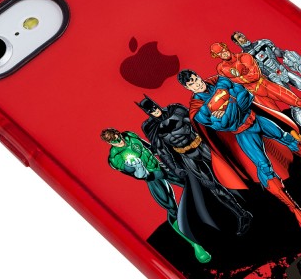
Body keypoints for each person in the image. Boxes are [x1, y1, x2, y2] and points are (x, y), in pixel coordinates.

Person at [178, 69, 301, 226]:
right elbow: (223, 125)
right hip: (244, 133)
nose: (197, 84)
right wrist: (232, 100)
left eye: (196, 79)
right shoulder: (197, 109)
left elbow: (246, 95)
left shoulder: (218, 80)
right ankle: (294, 208)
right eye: (192, 84)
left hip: (256, 119)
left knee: (288, 139)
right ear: (188, 88)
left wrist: (225, 108)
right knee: (264, 167)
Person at [136, 96, 252, 236]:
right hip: (187, 156)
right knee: (212, 185)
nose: (154, 111)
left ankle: (256, 197)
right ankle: (242, 214)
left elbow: (198, 122)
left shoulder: (176, 110)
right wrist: (174, 168)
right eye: (150, 111)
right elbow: (162, 151)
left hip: (203, 147)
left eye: (154, 107)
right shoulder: (151, 128)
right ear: (146, 113)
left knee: (230, 171)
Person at [100, 128, 211, 263]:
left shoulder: (128, 135)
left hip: (161, 167)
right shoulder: (115, 157)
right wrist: (139, 171)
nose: (120, 141)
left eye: (119, 137)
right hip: (152, 178)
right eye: (116, 141)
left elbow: (148, 148)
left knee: (194, 182)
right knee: (172, 209)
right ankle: (195, 244)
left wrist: (160, 149)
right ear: (110, 143)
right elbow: (131, 173)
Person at [210, 42, 301, 126]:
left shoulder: (244, 57)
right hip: (255, 96)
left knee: (296, 102)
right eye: (220, 53)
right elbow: (230, 83)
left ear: (226, 47)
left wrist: (236, 78)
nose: (224, 53)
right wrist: (243, 76)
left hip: (265, 85)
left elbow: (254, 76)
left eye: (223, 50)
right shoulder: (221, 68)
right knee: (280, 119)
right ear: (216, 56)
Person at [231, 31, 301, 91]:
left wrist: (290, 58)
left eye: (242, 35)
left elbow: (279, 53)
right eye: (239, 37)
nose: (242, 37)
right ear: (236, 43)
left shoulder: (262, 42)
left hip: (282, 69)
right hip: (273, 78)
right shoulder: (243, 58)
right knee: (290, 97)